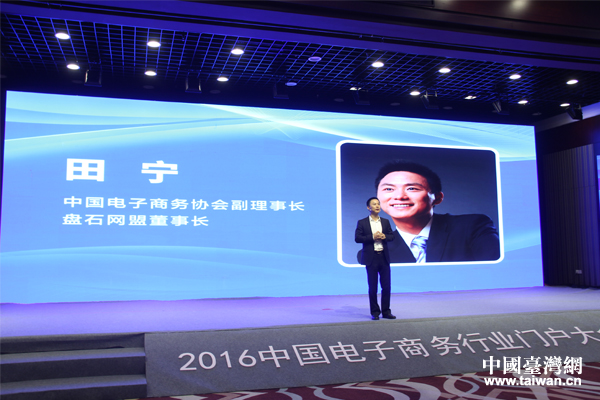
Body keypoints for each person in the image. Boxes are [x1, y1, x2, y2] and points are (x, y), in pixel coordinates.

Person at [375, 160, 500, 263]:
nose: (399, 196)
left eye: (412, 188)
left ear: (437, 198)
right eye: (388, 189)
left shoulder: (472, 227)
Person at [355, 197, 396, 320]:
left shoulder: (385, 221)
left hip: (383, 257)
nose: (377, 206)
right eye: (374, 204)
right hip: (371, 258)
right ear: (369, 207)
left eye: (378, 204)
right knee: (373, 287)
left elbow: (392, 236)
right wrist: (372, 237)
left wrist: (384, 236)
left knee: (386, 286)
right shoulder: (362, 222)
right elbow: (357, 238)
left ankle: (386, 311)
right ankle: (375, 312)